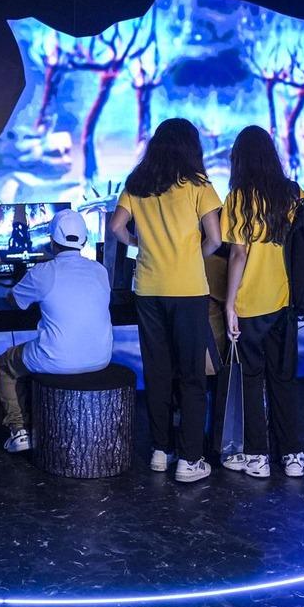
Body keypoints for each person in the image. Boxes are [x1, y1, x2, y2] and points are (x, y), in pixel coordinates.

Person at [110, 118, 222, 483]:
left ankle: (161, 450)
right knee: (191, 376)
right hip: (188, 289)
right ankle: (190, 459)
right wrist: (192, 256)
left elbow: (116, 228)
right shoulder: (199, 185)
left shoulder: (138, 182)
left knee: (157, 372)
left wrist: (139, 244)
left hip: (148, 288)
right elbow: (216, 239)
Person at [220, 126, 304, 479]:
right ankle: (292, 455)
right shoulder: (292, 193)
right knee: (283, 380)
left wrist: (229, 304)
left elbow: (238, 255)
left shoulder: (238, 199)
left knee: (251, 381)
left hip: (250, 305)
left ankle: (258, 456)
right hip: (285, 302)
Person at [0, 209, 113, 453]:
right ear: (84, 241)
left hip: (57, 360)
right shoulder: (100, 270)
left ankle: (18, 431)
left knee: (6, 363)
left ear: (51, 242)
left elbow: (15, 300)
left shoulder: (43, 272)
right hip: (101, 358)